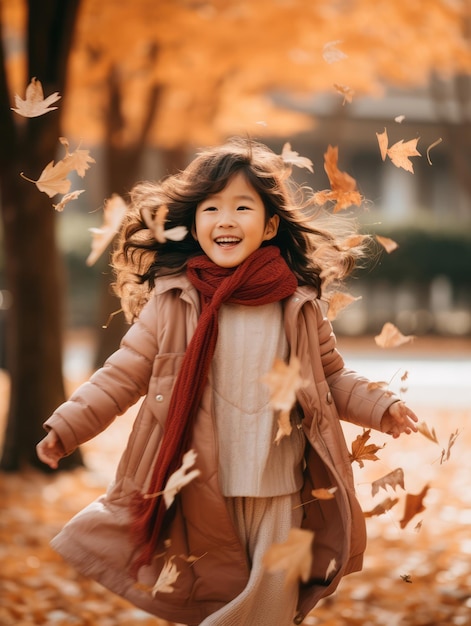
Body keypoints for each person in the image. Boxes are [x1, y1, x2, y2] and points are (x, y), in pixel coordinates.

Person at [37, 137, 418, 626]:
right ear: (196, 225)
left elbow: (330, 378)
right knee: (226, 605)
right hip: (203, 489)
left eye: (243, 206)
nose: (226, 219)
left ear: (270, 224)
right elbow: (122, 374)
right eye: (211, 208)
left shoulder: (297, 304)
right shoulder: (174, 302)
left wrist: (380, 405)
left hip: (282, 490)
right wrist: (68, 427)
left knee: (269, 610)